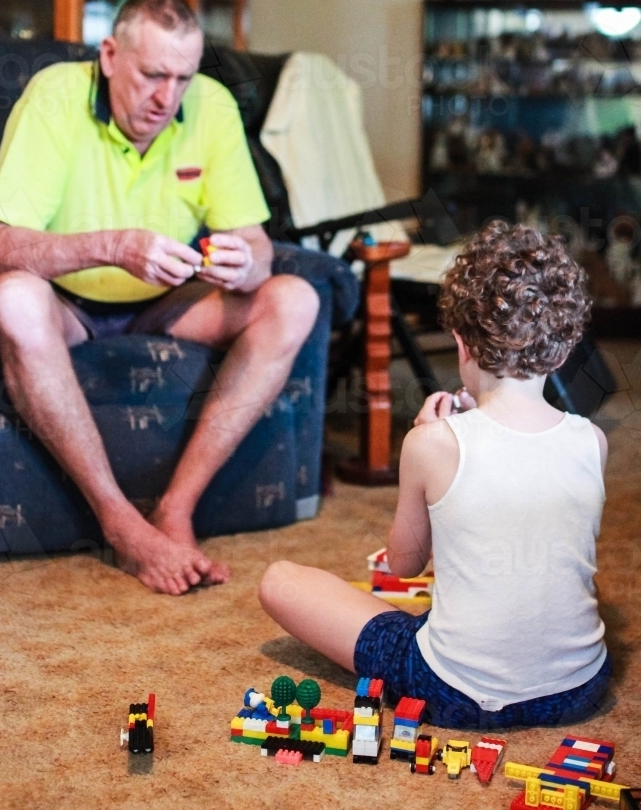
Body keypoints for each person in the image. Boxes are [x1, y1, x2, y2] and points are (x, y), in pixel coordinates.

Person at [0, 0, 319, 596]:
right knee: (11, 297)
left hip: (168, 305)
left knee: (294, 298)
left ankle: (176, 509)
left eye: (182, 77)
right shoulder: (55, 96)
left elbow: (258, 246)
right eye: (153, 74)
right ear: (110, 56)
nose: (167, 98)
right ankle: (120, 522)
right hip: (69, 307)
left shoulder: (210, 106)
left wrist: (246, 263)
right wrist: (110, 246)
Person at [259, 222, 611, 729]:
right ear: (562, 349)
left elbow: (404, 564)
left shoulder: (431, 443)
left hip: (454, 692)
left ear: (462, 344)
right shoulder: (591, 441)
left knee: (280, 581)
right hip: (578, 689)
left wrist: (427, 442)